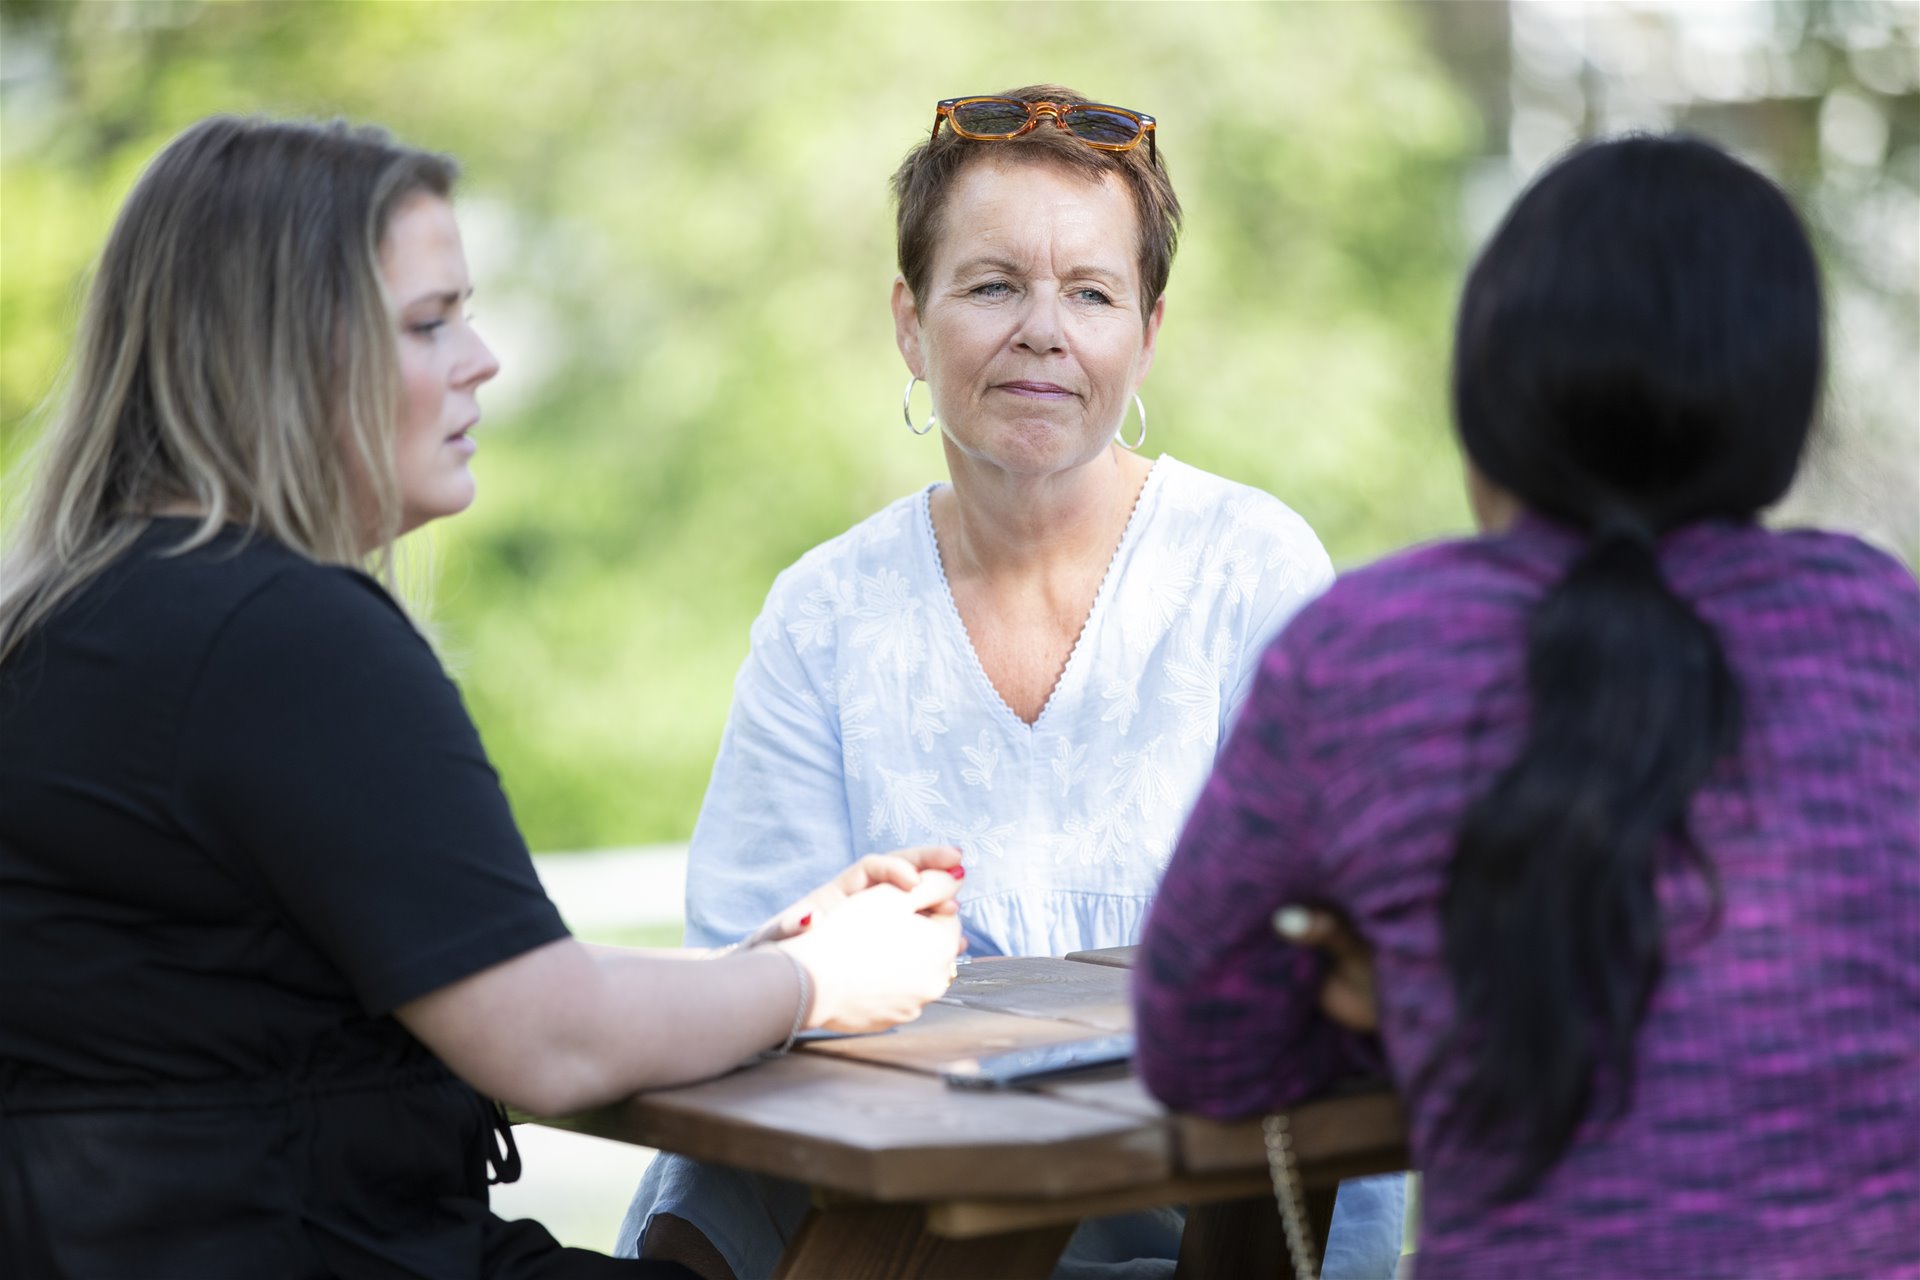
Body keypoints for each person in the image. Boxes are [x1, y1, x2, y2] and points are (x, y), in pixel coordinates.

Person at [0, 116, 968, 1279]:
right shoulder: (284, 636)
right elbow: (546, 1042)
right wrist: (821, 980)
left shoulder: (81, 614)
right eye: (429, 322)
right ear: (280, 357)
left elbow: (489, 985)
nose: (482, 359)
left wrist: (749, 969)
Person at [618, 86, 1406, 1280]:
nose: (1043, 330)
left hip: (1193, 1236)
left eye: (1090, 293)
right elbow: (743, 985)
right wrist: (818, 936)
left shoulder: (1254, 572)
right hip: (871, 1222)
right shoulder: (824, 610)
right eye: (991, 285)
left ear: (1146, 336)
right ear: (909, 321)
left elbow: (1352, 989)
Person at [1133, 134, 1920, 1278]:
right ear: (1782, 393)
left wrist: (1387, 983)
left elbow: (1201, 1042)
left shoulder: (1374, 650)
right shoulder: (1881, 631)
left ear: (1490, 382)